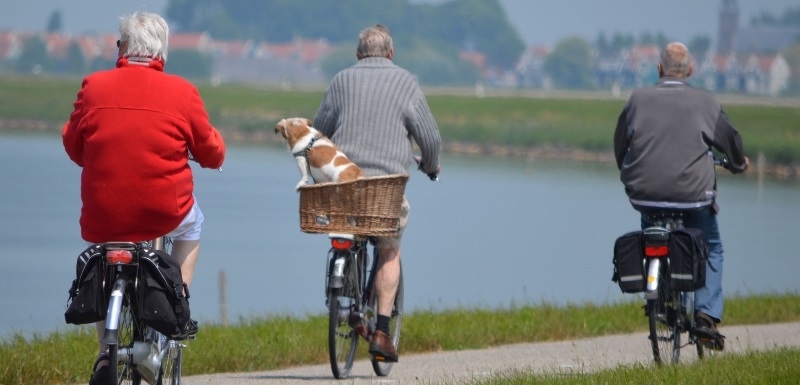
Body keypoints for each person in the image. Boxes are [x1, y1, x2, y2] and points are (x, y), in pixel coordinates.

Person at [62, 11, 225, 385]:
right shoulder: (183, 92)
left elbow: (73, 145)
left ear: (123, 48)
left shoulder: (93, 85)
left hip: (104, 212)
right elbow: (211, 149)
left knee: (107, 253)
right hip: (163, 210)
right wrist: (212, 156)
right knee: (193, 225)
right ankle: (176, 307)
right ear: (161, 53)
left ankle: (106, 353)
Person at [313, 24, 441, 362]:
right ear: (391, 54)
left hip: (343, 188)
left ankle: (344, 292)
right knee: (389, 250)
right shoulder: (406, 83)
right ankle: (382, 331)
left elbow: (317, 134)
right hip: (385, 191)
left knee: (346, 230)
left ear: (357, 56)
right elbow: (430, 139)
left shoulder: (341, 80)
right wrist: (430, 165)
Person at [613, 42, 748, 350]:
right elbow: (731, 142)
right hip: (694, 197)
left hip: (645, 194)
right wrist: (739, 165)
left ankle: (658, 295)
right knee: (711, 248)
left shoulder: (636, 99)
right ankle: (704, 317)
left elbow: (620, 143)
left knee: (652, 236)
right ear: (690, 70)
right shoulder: (706, 102)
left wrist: (629, 172)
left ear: (659, 69)